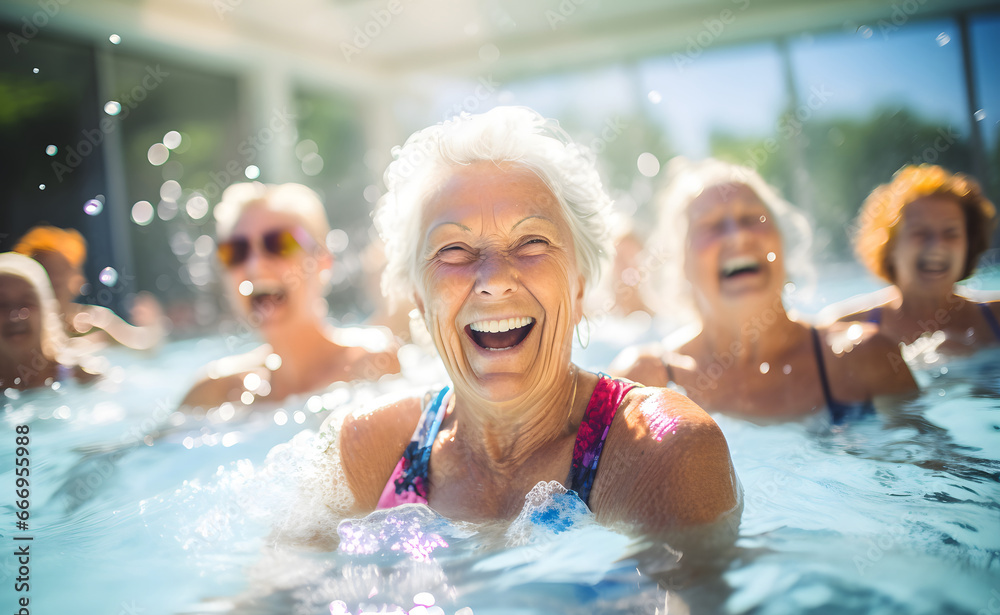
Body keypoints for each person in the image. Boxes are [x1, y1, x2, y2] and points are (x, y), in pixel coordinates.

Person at [325, 107, 740, 535]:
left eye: (531, 241)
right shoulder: (368, 449)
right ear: (419, 298)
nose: (494, 279)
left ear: (579, 287)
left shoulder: (660, 450)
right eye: (454, 250)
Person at [610, 158, 916, 422]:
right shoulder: (645, 383)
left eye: (751, 219)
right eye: (712, 226)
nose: (739, 237)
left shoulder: (861, 359)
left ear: (782, 243)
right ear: (682, 264)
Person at [181, 182, 400, 409]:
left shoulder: (373, 365)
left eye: (279, 244)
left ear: (323, 261)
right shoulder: (215, 392)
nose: (255, 266)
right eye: (236, 252)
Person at [821, 164, 999, 354]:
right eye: (920, 233)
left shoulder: (997, 317)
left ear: (969, 244)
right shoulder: (844, 329)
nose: (937, 245)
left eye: (950, 233)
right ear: (889, 246)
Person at [13, 225, 165, 351]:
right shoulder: (18, 327)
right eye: (45, 270)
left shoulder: (94, 322)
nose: (54, 276)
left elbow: (144, 346)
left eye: (60, 270)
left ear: (77, 280)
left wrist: (155, 323)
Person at [0, 252, 96, 390]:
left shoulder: (83, 378)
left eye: (27, 302)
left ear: (47, 311)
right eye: (2, 304)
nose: (16, 315)